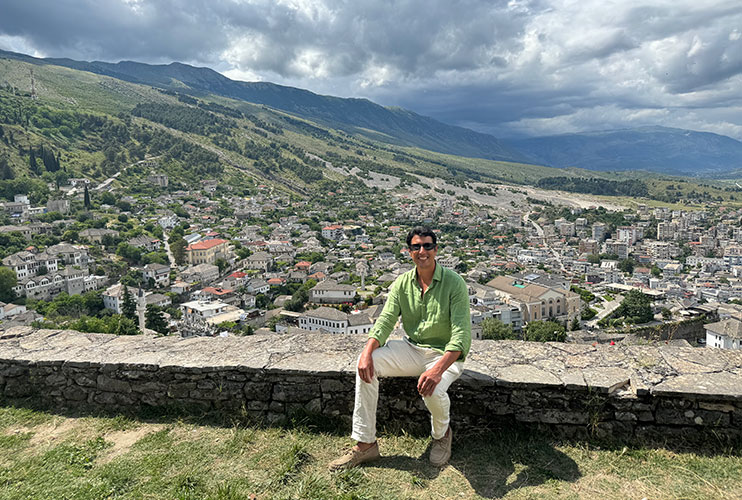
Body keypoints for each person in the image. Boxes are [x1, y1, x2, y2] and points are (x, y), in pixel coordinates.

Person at [329, 226, 471, 471]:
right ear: (409, 252)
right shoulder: (402, 283)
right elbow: (385, 321)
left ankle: (442, 435)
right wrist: (366, 352)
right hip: (412, 348)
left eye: (427, 246)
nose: (422, 251)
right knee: (367, 365)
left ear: (436, 250)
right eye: (416, 246)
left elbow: (461, 334)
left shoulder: (454, 283)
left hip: (444, 355)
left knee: (433, 390)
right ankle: (366, 444)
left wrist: (437, 370)